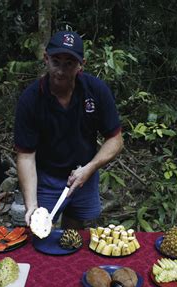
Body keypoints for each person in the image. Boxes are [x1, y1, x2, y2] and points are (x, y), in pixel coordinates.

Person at [14, 30, 123, 230]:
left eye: (69, 63)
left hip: (83, 174)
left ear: (82, 65)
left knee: (73, 234)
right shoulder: (31, 99)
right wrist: (31, 205)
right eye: (56, 61)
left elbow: (115, 139)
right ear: (46, 59)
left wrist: (90, 168)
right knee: (38, 232)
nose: (61, 71)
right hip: (46, 176)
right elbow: (26, 156)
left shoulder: (96, 91)